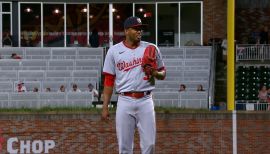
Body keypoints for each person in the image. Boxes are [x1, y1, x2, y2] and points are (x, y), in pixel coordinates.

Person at [101, 16, 166, 154]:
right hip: (124, 100)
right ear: (126, 31)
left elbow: (163, 73)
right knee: (124, 147)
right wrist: (105, 106)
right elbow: (108, 80)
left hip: (145, 100)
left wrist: (154, 73)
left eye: (140, 29)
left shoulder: (151, 48)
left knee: (149, 145)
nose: (139, 31)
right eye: (135, 29)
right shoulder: (114, 51)